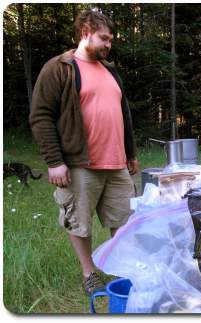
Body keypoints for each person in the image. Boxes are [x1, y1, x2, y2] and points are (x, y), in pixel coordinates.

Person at [29, 9, 139, 295]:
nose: (108, 44)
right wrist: (55, 162)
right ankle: (89, 273)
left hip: (116, 164)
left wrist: (130, 153)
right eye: (104, 38)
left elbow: (122, 114)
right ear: (85, 33)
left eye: (111, 40)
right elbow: (41, 116)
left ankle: (123, 271)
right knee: (79, 222)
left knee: (125, 221)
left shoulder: (111, 70)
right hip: (80, 163)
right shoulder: (59, 67)